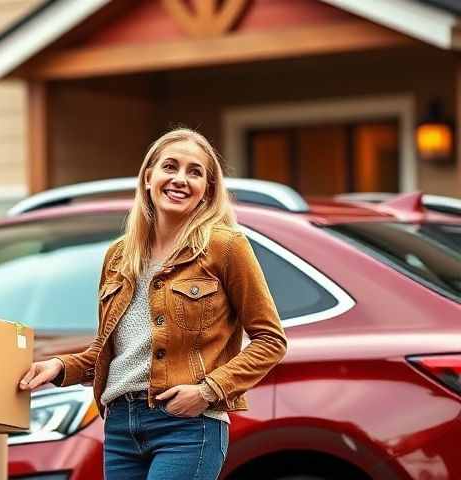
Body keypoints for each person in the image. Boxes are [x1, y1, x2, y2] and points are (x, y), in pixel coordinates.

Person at [19, 127, 288, 479]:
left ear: (207, 190)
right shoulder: (119, 256)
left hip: (187, 426)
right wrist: (59, 367)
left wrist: (209, 391)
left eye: (195, 172)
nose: (180, 179)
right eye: (170, 167)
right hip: (120, 427)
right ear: (149, 178)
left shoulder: (225, 247)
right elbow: (115, 350)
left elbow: (271, 341)